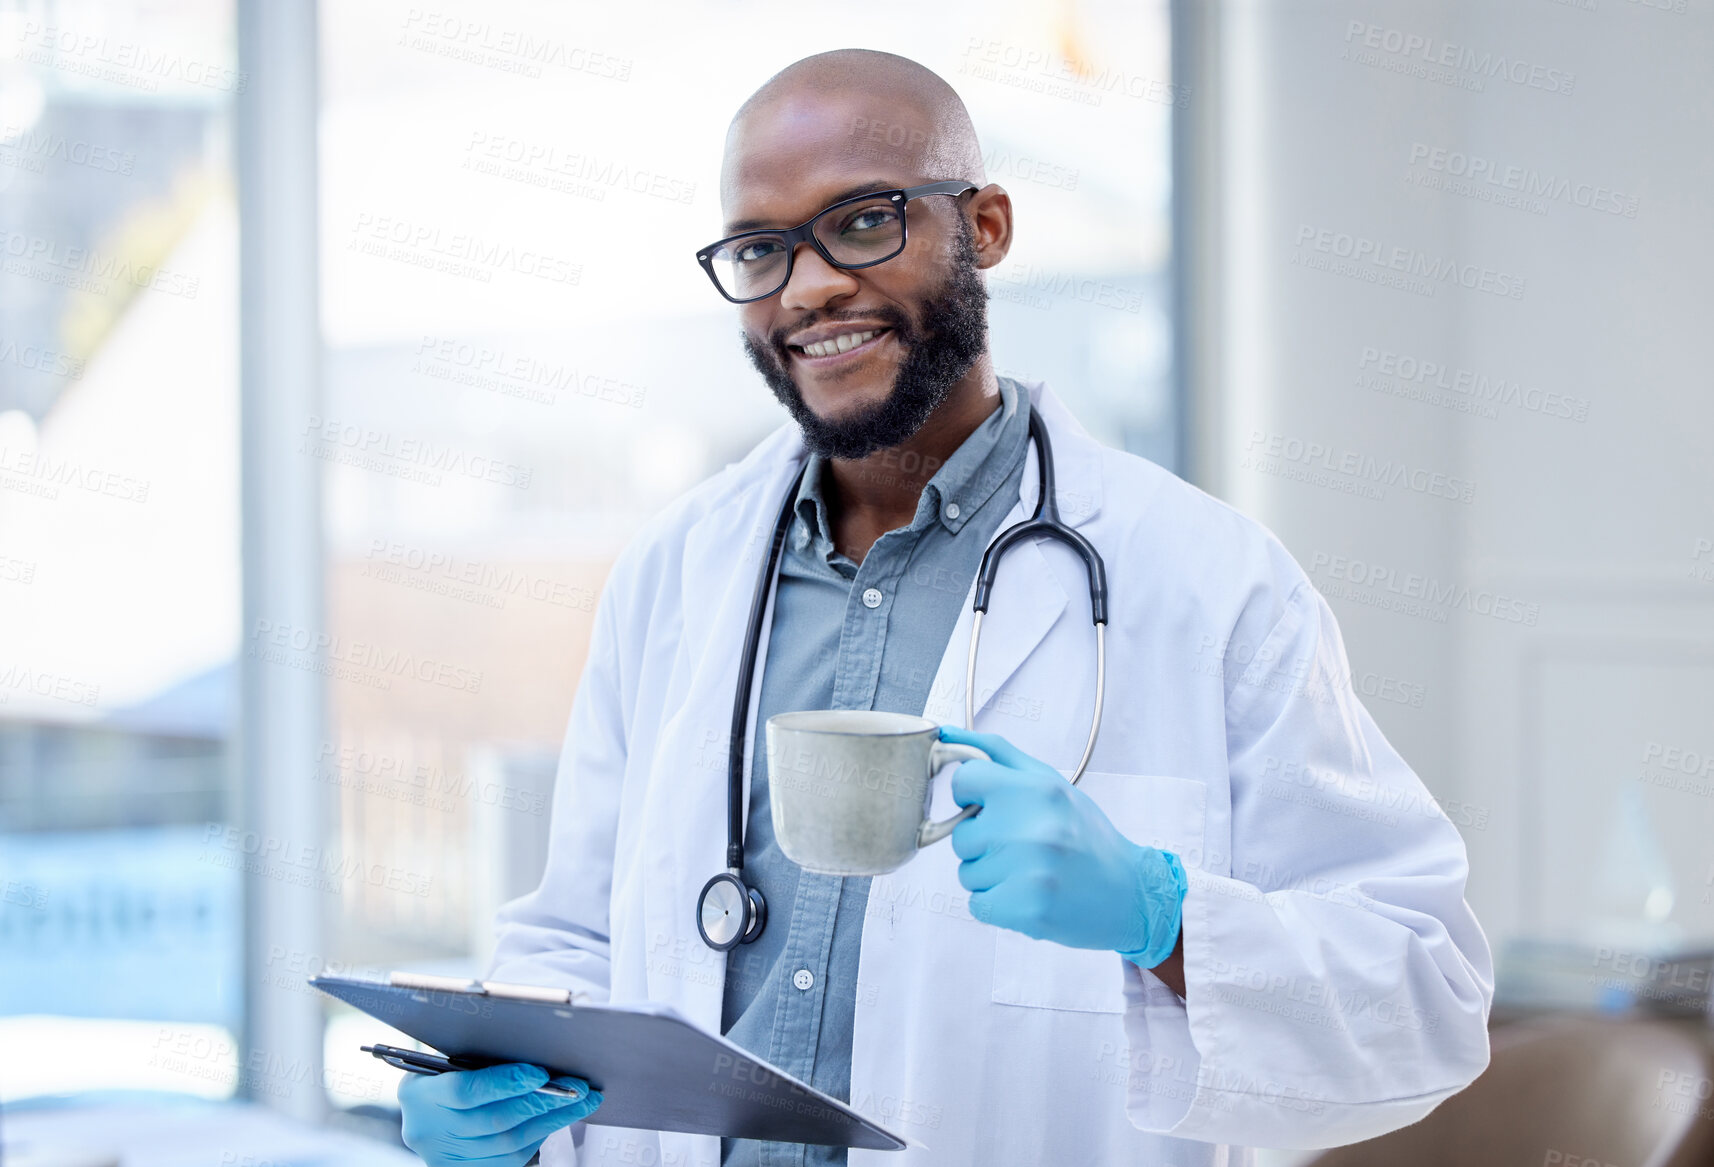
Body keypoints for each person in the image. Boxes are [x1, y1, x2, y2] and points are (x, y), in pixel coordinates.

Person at [397, 48, 1493, 1167]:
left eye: (864, 223)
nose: (809, 287)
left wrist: (1161, 922)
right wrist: (496, 1091)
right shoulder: (676, 570)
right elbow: (583, 931)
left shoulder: (1210, 583)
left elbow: (1426, 1006)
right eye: (760, 249)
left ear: (990, 229)